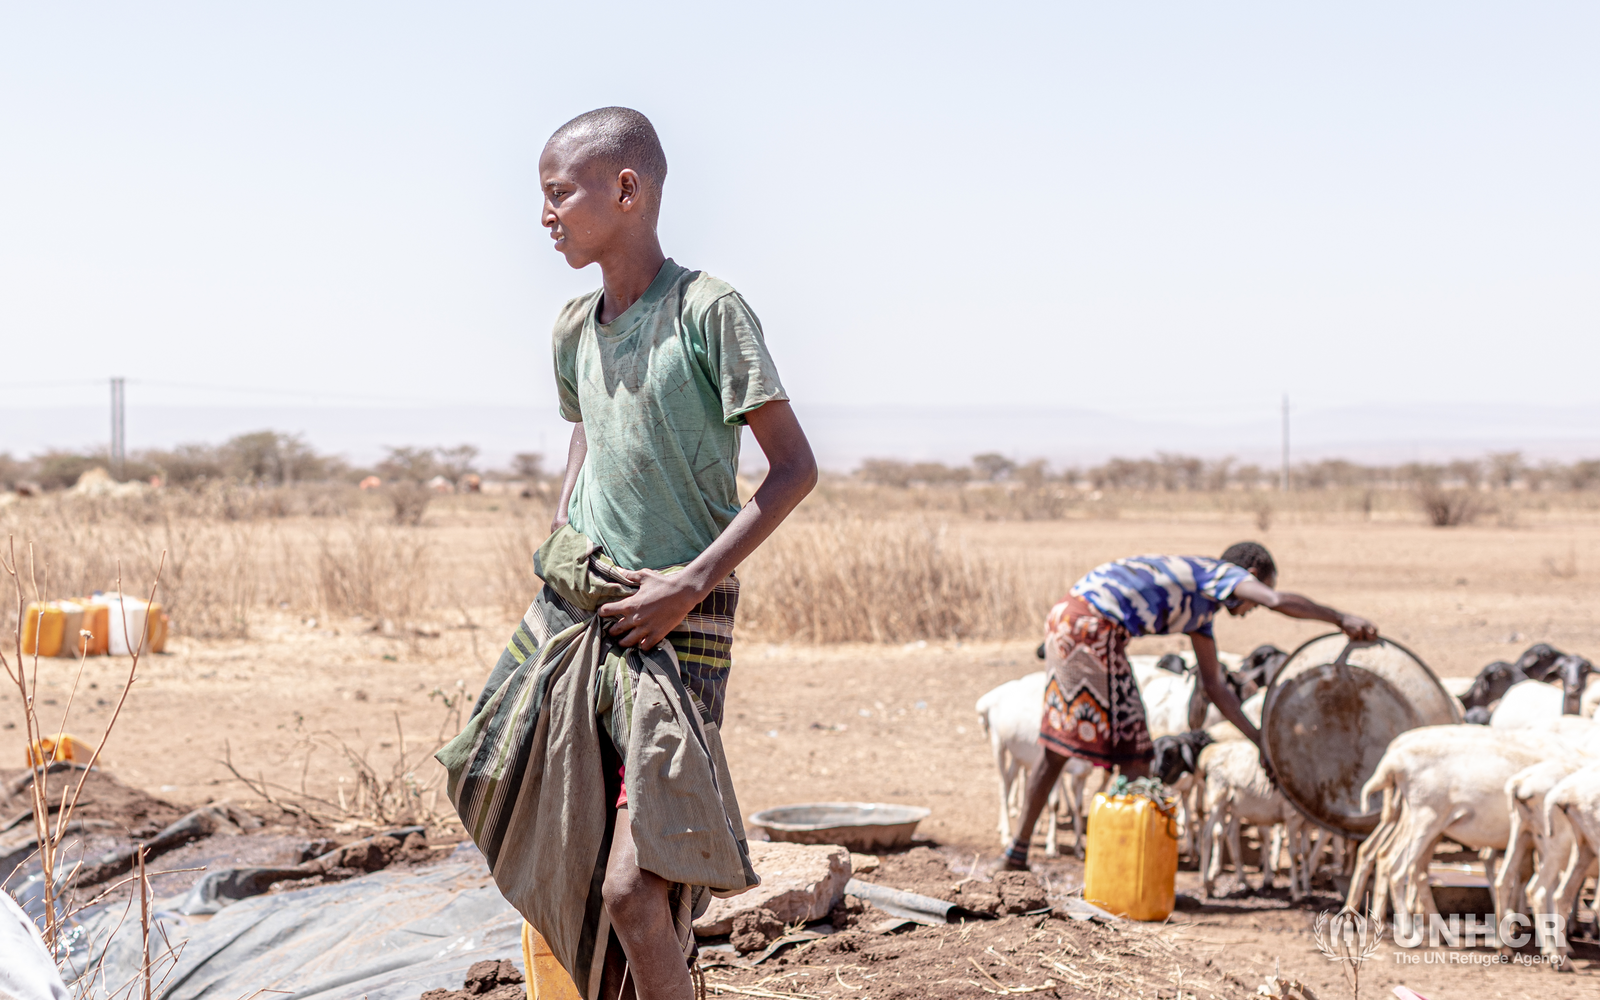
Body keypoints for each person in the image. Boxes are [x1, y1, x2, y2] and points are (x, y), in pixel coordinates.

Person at [439, 108, 816, 1000]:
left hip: (675, 628)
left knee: (633, 891)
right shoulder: (574, 326)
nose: (545, 216)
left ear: (626, 190)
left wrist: (688, 584)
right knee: (511, 793)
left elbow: (794, 469)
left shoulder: (707, 312)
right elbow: (587, 432)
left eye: (558, 193)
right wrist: (563, 521)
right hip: (581, 611)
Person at [1001, 541, 1377, 871]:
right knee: (1135, 752)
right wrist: (1340, 619)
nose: (1253, 607)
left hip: (1068, 619)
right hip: (1094, 626)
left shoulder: (1199, 610)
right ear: (1251, 575)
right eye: (1258, 593)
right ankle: (1128, 871)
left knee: (1060, 746)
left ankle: (1018, 853)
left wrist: (1259, 741)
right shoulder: (1219, 574)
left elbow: (1215, 687)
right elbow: (1276, 602)